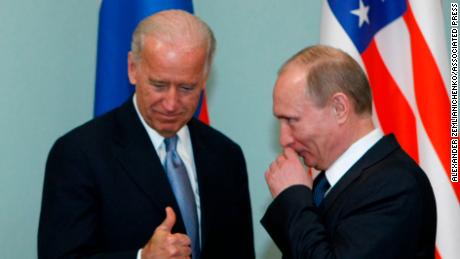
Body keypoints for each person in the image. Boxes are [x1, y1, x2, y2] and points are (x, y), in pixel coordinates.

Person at [38, 10, 254, 259]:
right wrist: (142, 257)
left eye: (186, 87)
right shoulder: (79, 154)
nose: (171, 103)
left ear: (204, 78)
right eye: (159, 85)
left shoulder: (226, 155)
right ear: (132, 69)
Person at [261, 45, 436, 259]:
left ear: (339, 108)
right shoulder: (326, 185)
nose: (284, 139)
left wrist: (294, 199)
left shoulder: (395, 185)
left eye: (291, 120)